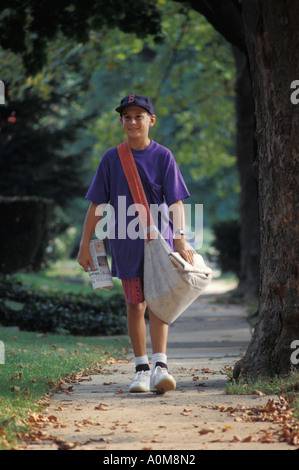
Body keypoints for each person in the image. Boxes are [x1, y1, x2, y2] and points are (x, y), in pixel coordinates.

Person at [77, 94, 194, 394]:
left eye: (138, 116)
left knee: (158, 304)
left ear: (151, 120)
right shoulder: (111, 159)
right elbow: (96, 206)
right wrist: (84, 244)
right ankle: (141, 369)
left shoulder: (163, 157)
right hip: (126, 245)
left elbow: (176, 202)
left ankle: (161, 366)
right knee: (135, 304)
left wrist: (180, 238)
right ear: (121, 122)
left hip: (160, 244)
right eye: (126, 117)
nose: (132, 122)